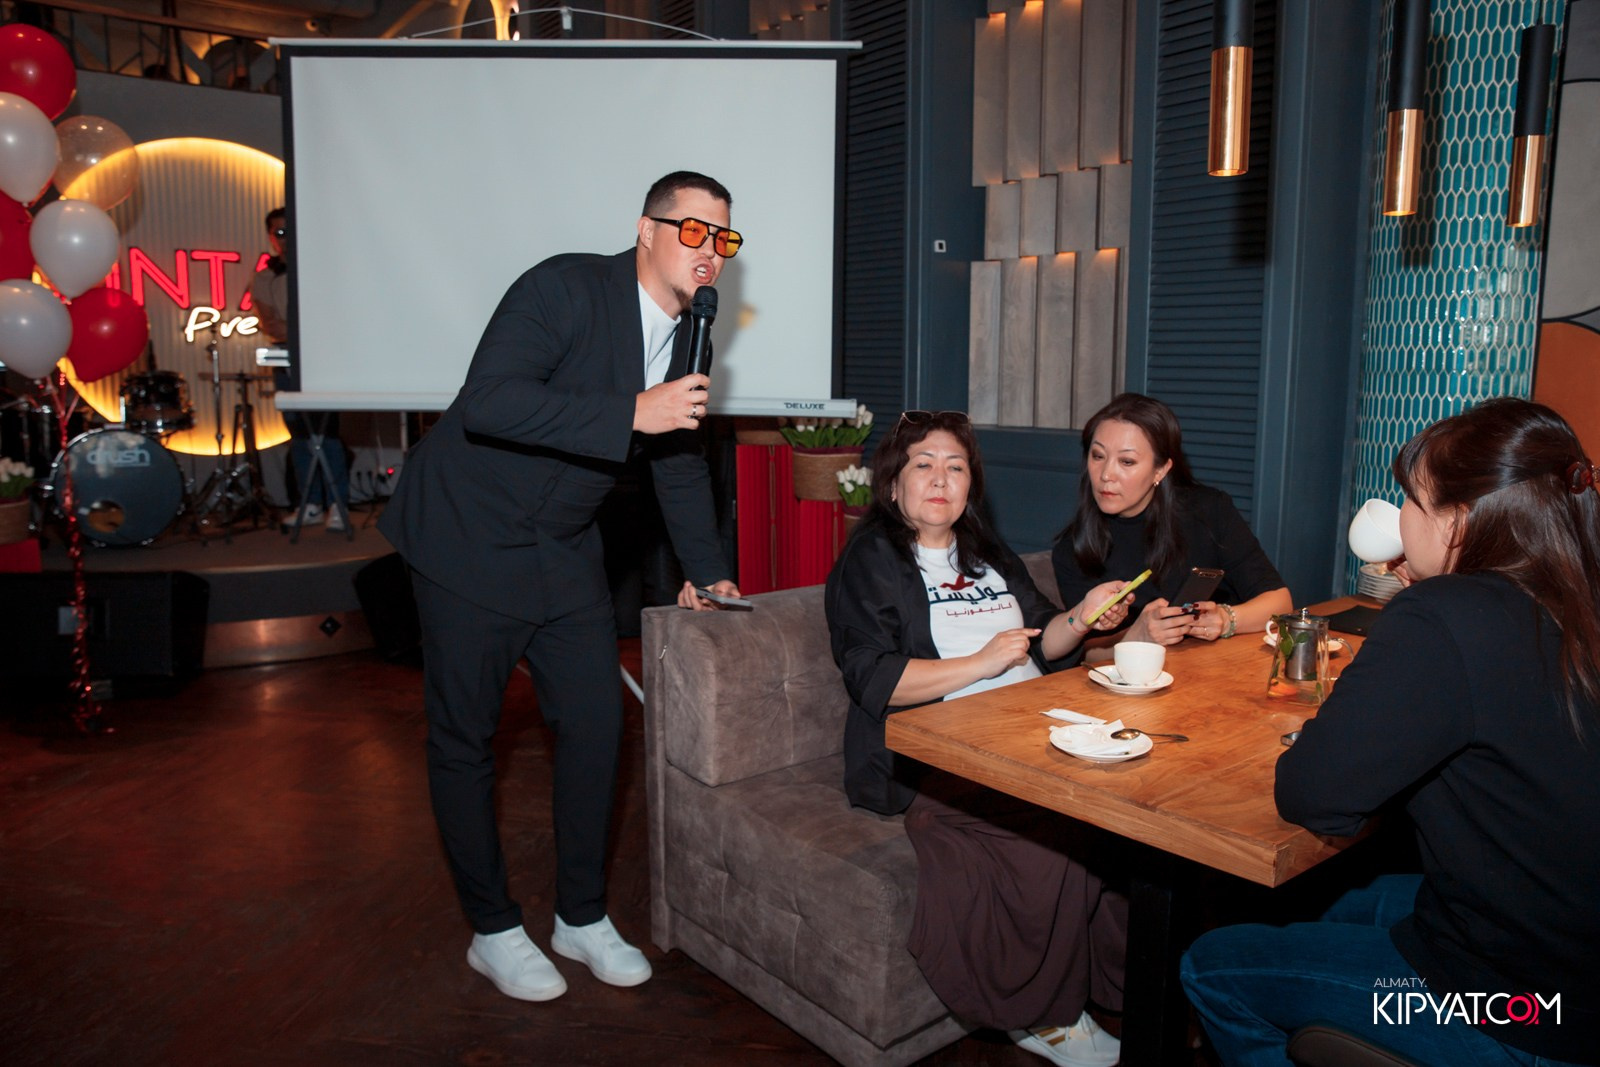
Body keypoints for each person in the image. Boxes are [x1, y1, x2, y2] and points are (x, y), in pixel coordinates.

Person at [378, 172, 744, 1003]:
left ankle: (581, 915)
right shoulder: (563, 287)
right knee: (465, 736)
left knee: (596, 722)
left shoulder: (693, 331)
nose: (709, 251)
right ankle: (493, 928)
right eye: (691, 230)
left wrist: (706, 567)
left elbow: (677, 456)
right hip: (467, 534)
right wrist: (630, 411)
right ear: (645, 230)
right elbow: (489, 402)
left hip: (563, 542)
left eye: (722, 237)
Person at [1180, 397, 1600, 1066]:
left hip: (1519, 1007)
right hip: (1568, 953)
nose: (1400, 514)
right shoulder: (1574, 598)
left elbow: (1313, 795)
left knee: (1213, 965)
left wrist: (1421, 612)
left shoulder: (1445, 616)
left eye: (1410, 497)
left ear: (1457, 520)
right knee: (1334, 899)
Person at [825, 410, 1131, 1067]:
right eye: (924, 465)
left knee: (1131, 827)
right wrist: (981, 663)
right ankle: (1043, 1014)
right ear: (894, 484)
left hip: (1036, 732)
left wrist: (1083, 616)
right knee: (1058, 841)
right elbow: (872, 677)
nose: (941, 479)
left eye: (956, 467)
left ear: (971, 484)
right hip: (943, 757)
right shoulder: (872, 559)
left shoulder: (985, 550)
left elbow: (1043, 639)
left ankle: (1121, 984)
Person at [1052, 393, 1291, 655]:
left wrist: (1226, 619)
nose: (1106, 474)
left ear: (1161, 470)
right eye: (1098, 456)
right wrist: (1138, 636)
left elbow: (1280, 602)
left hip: (1221, 665)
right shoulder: (1074, 548)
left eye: (1126, 461)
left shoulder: (1208, 510)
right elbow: (1087, 655)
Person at [247, 205, 351, 533]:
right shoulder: (264, 278)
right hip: (286, 360)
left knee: (326, 433)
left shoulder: (321, 270)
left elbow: (332, 318)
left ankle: (338, 505)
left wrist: (302, 329)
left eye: (289, 231)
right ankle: (310, 504)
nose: (285, 239)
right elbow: (271, 326)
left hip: (324, 360)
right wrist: (305, 330)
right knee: (299, 434)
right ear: (271, 238)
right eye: (278, 233)